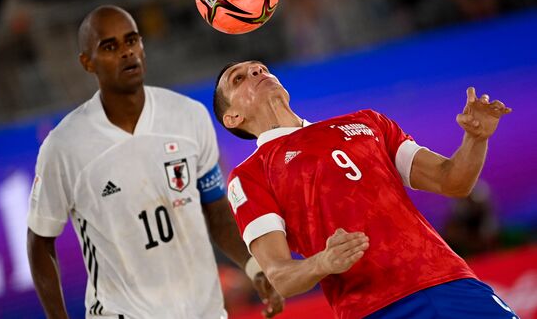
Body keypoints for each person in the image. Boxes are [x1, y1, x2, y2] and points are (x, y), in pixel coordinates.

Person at [26, 6, 284, 319]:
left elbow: (216, 209)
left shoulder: (189, 116)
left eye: (132, 40)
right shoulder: (65, 145)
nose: (126, 52)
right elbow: (40, 241)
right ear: (87, 62)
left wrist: (254, 267)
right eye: (110, 47)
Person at [213, 60, 518, 319]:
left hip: (451, 280)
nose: (256, 73)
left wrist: (476, 140)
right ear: (233, 118)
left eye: (260, 68)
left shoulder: (367, 122)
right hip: (375, 307)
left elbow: (452, 181)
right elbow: (280, 277)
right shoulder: (249, 175)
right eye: (239, 79)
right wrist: (323, 262)